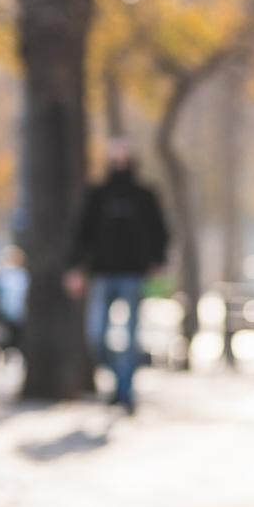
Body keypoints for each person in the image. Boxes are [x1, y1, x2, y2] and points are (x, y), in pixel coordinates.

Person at [65, 140, 170, 414]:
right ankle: (118, 382)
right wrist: (75, 268)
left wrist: (159, 261)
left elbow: (160, 230)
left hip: (133, 275)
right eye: (116, 151)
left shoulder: (144, 195)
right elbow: (81, 233)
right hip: (102, 274)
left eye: (125, 151)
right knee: (97, 335)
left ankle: (125, 392)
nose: (120, 156)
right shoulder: (98, 194)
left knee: (130, 337)